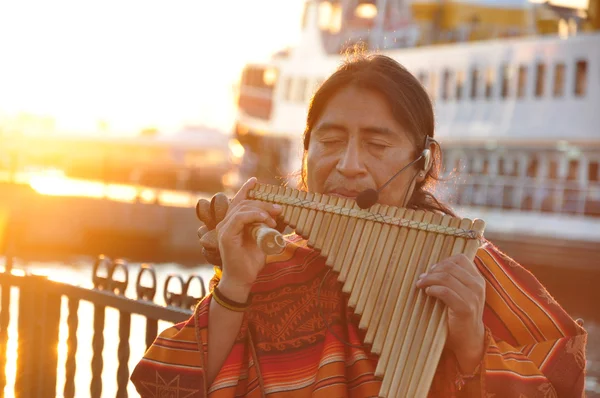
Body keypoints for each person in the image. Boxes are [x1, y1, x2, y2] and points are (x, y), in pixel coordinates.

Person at [131, 54, 587, 397]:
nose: (348, 165)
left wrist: (471, 342)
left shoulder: (470, 265)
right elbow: (167, 387)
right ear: (306, 152)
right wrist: (234, 285)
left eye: (376, 143)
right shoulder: (265, 260)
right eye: (329, 140)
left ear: (420, 164)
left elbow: (560, 377)